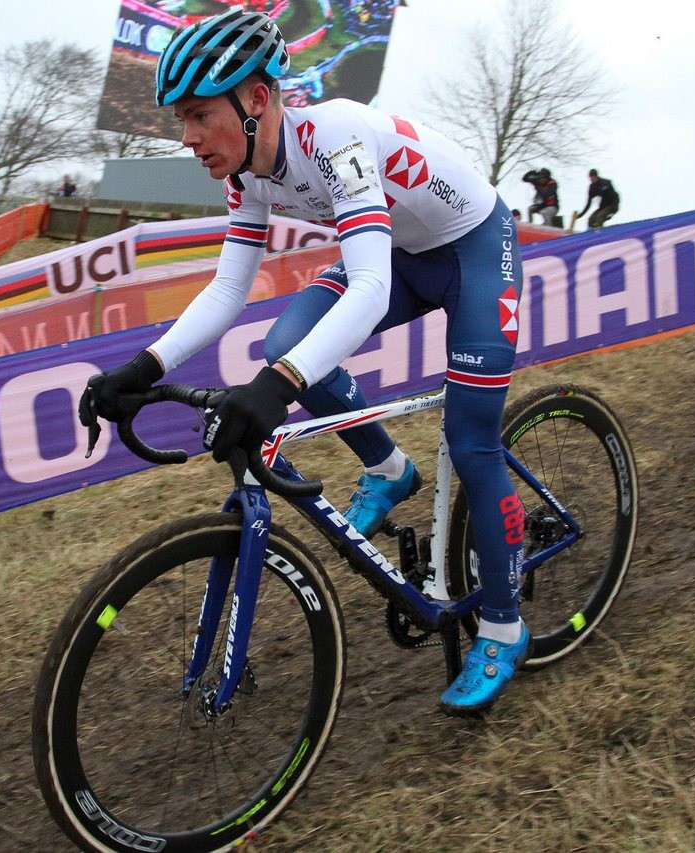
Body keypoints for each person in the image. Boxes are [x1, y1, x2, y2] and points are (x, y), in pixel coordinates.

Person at [79, 9, 530, 715]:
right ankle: (387, 470)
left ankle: (503, 626)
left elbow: (370, 285)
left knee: (472, 440)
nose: (188, 138)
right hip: (407, 257)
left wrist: (278, 389)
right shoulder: (246, 173)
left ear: (257, 99)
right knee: (281, 344)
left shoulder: (336, 136)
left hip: (475, 251)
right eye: (181, 120)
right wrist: (143, 365)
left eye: (199, 116)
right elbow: (229, 286)